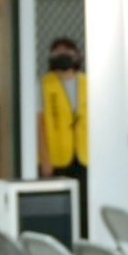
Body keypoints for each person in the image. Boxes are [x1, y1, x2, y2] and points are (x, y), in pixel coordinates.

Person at [38, 36, 88, 235]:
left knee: (84, 207)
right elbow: (40, 124)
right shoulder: (44, 85)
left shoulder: (88, 83)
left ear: (77, 56)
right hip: (57, 159)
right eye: (57, 52)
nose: (63, 56)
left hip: (84, 157)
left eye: (67, 51)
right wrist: (45, 160)